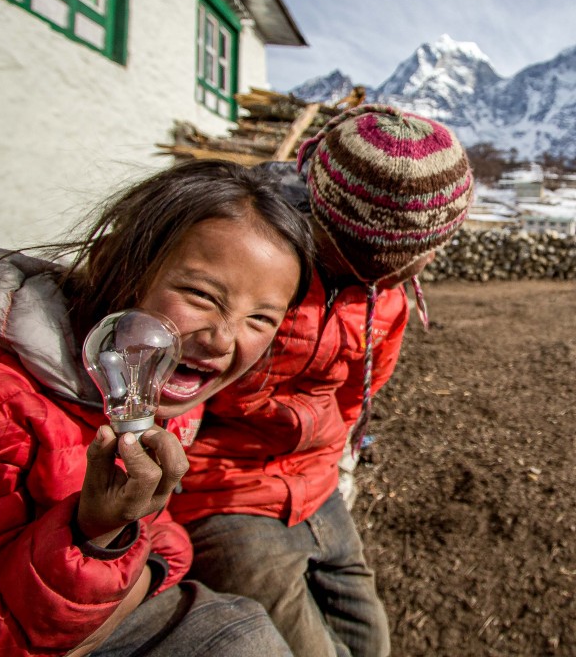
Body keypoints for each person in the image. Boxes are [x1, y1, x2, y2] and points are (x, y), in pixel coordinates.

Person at [0, 159, 314, 657]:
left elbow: (154, 533)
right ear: (112, 264)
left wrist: (139, 555)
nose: (222, 338)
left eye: (260, 319)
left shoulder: (147, 380)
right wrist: (94, 536)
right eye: (199, 295)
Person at [174, 104, 474, 657]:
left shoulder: (384, 296)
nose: (412, 270)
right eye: (398, 259)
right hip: (224, 490)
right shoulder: (251, 262)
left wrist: (339, 458)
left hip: (316, 482)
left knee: (370, 640)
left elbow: (362, 387)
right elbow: (179, 381)